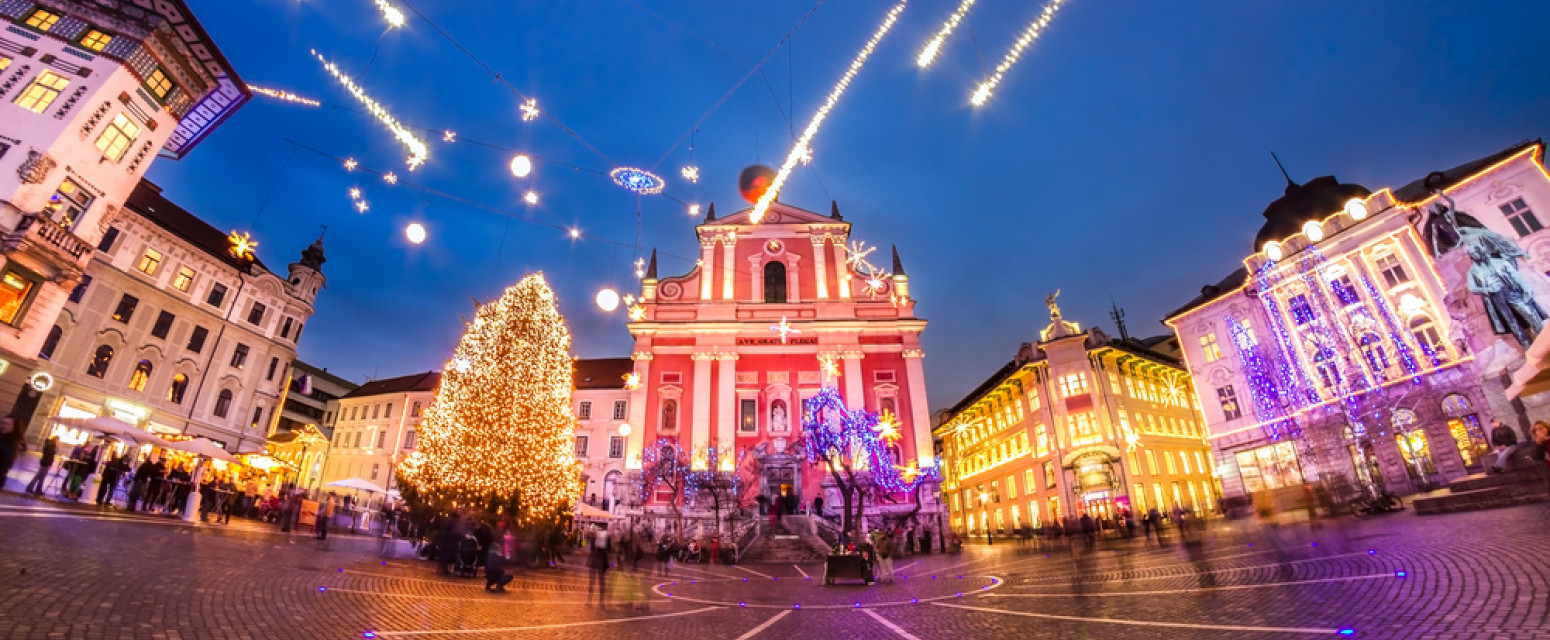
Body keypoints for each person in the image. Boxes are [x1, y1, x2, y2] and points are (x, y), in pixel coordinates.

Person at [588, 524, 611, 603]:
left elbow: (592, 546)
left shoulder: (601, 534)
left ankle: (596, 598)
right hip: (600, 555)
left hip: (599, 555)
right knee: (600, 579)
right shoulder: (604, 534)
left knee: (596, 579)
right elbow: (609, 548)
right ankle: (598, 599)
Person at [0, 417, 19, 492]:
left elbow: (7, 463)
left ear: (14, 427)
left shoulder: (12, 443)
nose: (4, 426)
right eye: (2, 423)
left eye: (7, 424)